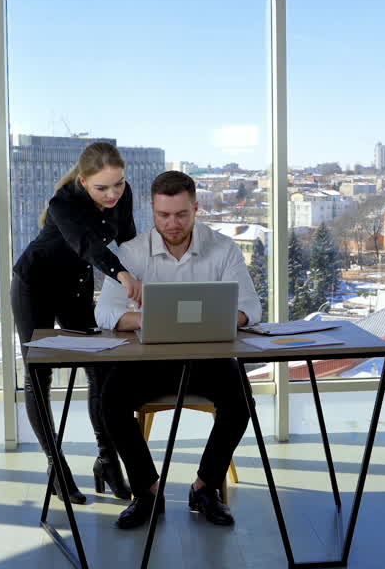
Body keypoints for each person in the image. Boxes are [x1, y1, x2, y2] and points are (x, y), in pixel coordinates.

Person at [95, 171, 262, 528]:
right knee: (109, 403)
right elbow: (105, 312)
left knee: (241, 404)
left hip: (208, 359)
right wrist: (147, 320)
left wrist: (228, 317)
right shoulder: (131, 253)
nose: (172, 223)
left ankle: (205, 487)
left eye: (181, 215)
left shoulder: (223, 249)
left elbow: (252, 307)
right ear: (152, 212)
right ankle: (148, 492)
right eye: (163, 215)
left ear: (196, 209)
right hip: (147, 359)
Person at [11, 141, 144, 504]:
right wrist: (121, 273)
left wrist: (148, 272)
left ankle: (107, 460)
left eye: (118, 184)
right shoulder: (63, 203)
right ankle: (57, 466)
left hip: (75, 288)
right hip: (34, 285)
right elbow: (87, 245)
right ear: (84, 181)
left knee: (100, 368)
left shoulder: (124, 194)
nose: (113, 193)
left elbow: (128, 240)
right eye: (103, 187)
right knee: (38, 374)